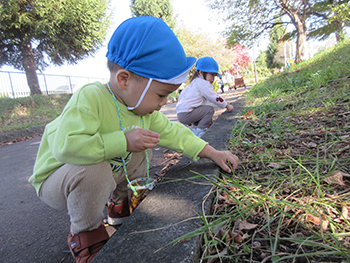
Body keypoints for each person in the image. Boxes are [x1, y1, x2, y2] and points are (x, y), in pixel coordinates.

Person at [28, 17, 239, 263]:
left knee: (144, 142)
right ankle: (85, 234)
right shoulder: (91, 98)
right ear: (124, 80)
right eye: (161, 94)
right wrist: (123, 141)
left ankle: (120, 204)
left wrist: (212, 152)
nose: (163, 103)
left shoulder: (143, 112)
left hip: (102, 173)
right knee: (95, 168)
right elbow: (67, 147)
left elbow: (175, 134)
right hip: (60, 178)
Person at [176, 57, 235, 138]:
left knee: (201, 111)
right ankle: (199, 132)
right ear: (201, 72)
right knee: (209, 110)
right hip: (187, 114)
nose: (213, 78)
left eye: (215, 75)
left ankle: (193, 129)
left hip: (181, 113)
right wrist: (227, 105)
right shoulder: (203, 83)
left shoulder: (194, 83)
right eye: (211, 75)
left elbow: (182, 96)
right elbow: (214, 97)